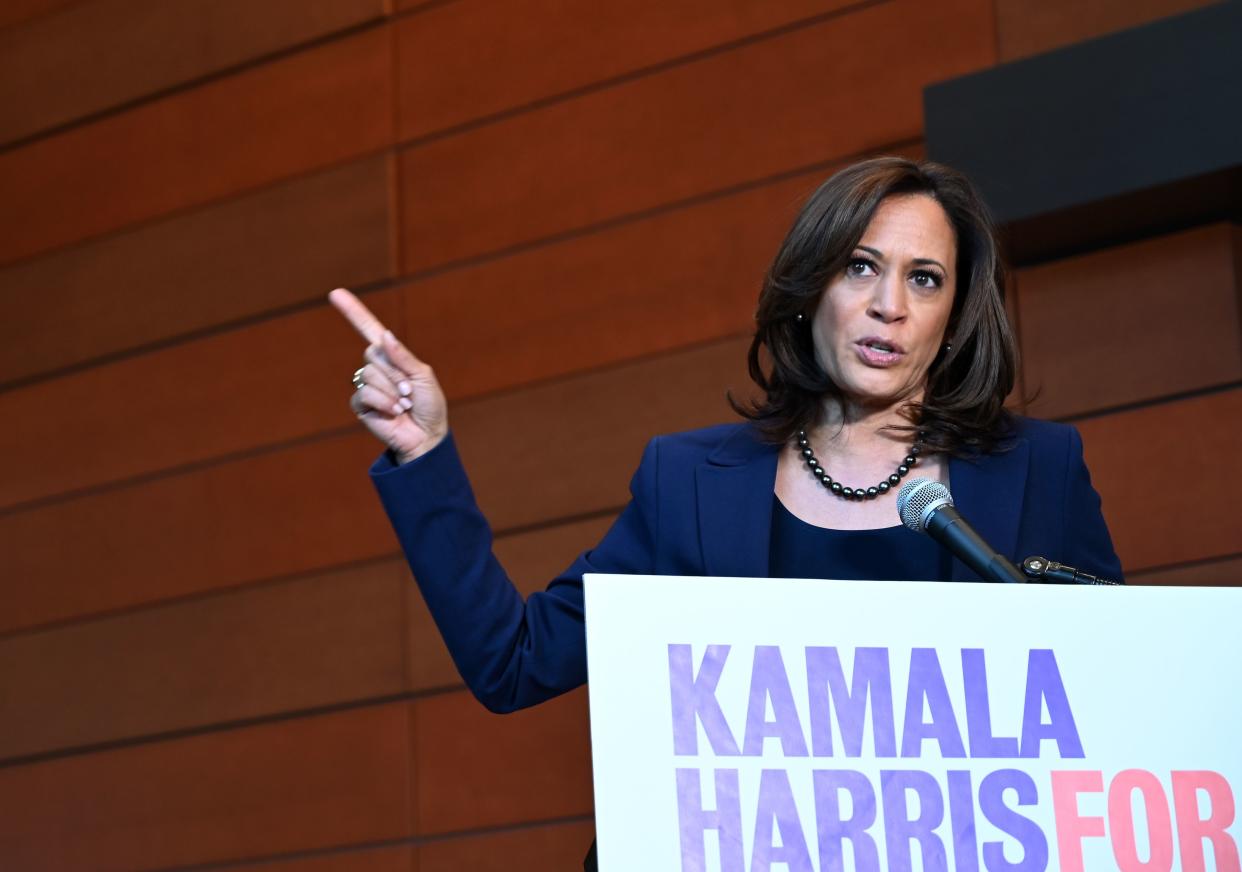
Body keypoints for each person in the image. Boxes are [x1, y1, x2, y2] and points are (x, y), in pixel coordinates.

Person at [330, 156, 1122, 866]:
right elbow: (515, 662)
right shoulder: (692, 483)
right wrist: (424, 453)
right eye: (860, 267)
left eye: (925, 278)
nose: (890, 306)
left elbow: (1121, 700)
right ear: (810, 288)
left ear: (953, 317)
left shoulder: (1038, 470)